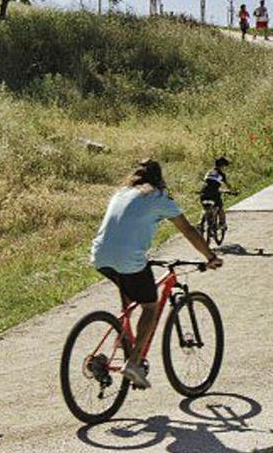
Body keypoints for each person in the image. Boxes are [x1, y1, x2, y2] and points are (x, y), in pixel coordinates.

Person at [90, 159, 222, 389]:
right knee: (150, 306)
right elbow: (189, 230)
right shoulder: (159, 198)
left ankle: (113, 352)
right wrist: (210, 257)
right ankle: (133, 363)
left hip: (100, 255)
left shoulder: (122, 192)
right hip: (128, 259)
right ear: (160, 179)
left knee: (129, 302)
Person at [199, 156, 236, 231]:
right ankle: (222, 224)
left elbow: (208, 184)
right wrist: (233, 192)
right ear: (222, 166)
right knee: (220, 207)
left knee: (205, 208)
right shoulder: (222, 175)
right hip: (214, 194)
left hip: (203, 193)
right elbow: (228, 186)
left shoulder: (209, 172)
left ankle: (200, 223)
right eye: (224, 166)